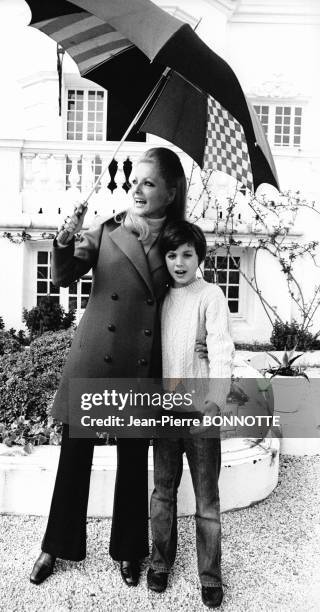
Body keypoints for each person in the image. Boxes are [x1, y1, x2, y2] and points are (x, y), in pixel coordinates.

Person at [30, 147, 189, 587]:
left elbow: (186, 301)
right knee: (74, 456)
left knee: (133, 459)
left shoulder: (181, 242)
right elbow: (63, 278)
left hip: (140, 363)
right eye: (134, 180)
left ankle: (128, 551)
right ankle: (54, 547)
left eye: (148, 183)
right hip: (95, 355)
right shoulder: (108, 227)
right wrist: (64, 239)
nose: (135, 189)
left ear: (171, 191)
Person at [146, 220, 234, 608]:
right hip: (166, 414)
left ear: (199, 257)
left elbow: (220, 348)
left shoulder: (210, 295)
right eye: (171, 254)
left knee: (207, 502)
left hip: (200, 414)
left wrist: (215, 399)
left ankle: (210, 575)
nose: (179, 262)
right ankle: (160, 563)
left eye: (187, 255)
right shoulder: (159, 297)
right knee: (162, 494)